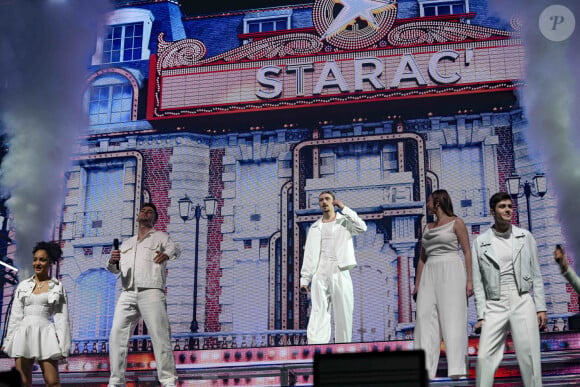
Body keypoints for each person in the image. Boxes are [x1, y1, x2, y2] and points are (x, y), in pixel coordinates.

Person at [471, 192, 547, 387]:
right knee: (483, 358)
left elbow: (536, 274)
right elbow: (478, 283)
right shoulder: (480, 242)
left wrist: (540, 307)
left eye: (509, 206)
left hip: (522, 298)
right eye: (502, 206)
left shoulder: (525, 236)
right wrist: (481, 314)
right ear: (492, 211)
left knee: (530, 356)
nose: (507, 210)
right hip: (495, 302)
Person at [107, 203, 180, 387]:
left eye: (150, 212)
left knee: (160, 335)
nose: (145, 213)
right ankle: (116, 381)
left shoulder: (161, 237)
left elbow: (176, 248)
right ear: (138, 215)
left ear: (154, 218)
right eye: (143, 211)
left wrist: (167, 254)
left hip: (151, 290)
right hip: (128, 292)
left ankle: (168, 380)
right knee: (117, 335)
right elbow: (115, 270)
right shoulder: (127, 243)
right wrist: (112, 261)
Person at [413, 189, 473, 380]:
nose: (427, 204)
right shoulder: (427, 227)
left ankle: (457, 370)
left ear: (437, 202)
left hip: (451, 270)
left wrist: (470, 280)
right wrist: (417, 283)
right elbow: (422, 258)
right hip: (429, 272)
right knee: (424, 319)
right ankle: (424, 370)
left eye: (429, 200)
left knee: (453, 319)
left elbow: (467, 252)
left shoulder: (457, 223)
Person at [299, 191, 367, 344]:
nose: (324, 202)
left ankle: (343, 346)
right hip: (320, 271)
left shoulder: (344, 221)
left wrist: (344, 208)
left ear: (333, 201)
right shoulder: (315, 227)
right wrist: (305, 280)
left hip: (339, 269)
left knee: (344, 310)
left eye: (327, 199)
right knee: (318, 310)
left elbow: (362, 227)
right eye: (321, 199)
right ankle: (316, 346)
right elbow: (309, 254)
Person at [2, 241, 71, 387]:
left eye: (42, 259)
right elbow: (15, 316)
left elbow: (61, 318)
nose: (37, 263)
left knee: (53, 382)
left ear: (50, 262)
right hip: (23, 333)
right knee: (23, 382)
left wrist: (64, 345)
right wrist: (8, 341)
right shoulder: (24, 285)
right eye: (35, 259)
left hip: (45, 333)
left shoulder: (57, 287)